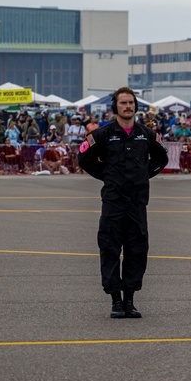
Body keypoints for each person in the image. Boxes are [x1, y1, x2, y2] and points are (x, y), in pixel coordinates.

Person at [78, 86, 168, 319]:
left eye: (131, 103)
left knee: (137, 251)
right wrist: (107, 176)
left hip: (137, 203)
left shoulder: (146, 134)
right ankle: (115, 301)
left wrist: (142, 175)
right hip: (113, 202)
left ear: (135, 106)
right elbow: (84, 157)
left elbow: (162, 157)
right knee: (109, 248)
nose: (127, 107)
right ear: (115, 107)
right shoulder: (103, 134)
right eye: (123, 103)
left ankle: (130, 300)